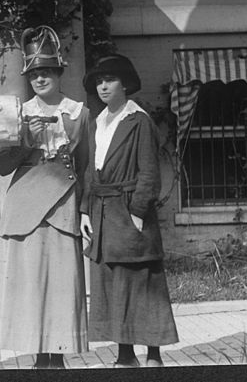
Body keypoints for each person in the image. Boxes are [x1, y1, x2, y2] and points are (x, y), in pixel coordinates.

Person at [0, 26, 89, 369]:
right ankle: (36, 357)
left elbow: (86, 166)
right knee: (29, 283)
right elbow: (2, 165)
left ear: (59, 73)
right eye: (34, 74)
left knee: (61, 282)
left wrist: (86, 210)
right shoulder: (17, 113)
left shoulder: (78, 113)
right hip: (25, 205)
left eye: (46, 72)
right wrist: (26, 142)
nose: (40, 79)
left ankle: (57, 356)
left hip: (63, 205)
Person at [79, 54, 178, 367]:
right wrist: (84, 210)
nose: (103, 86)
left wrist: (137, 212)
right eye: (98, 81)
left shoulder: (139, 121)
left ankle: (153, 354)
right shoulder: (98, 122)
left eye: (109, 80)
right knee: (113, 284)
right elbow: (89, 172)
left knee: (142, 283)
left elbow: (150, 173)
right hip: (102, 214)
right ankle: (124, 354)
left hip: (129, 213)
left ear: (126, 84)